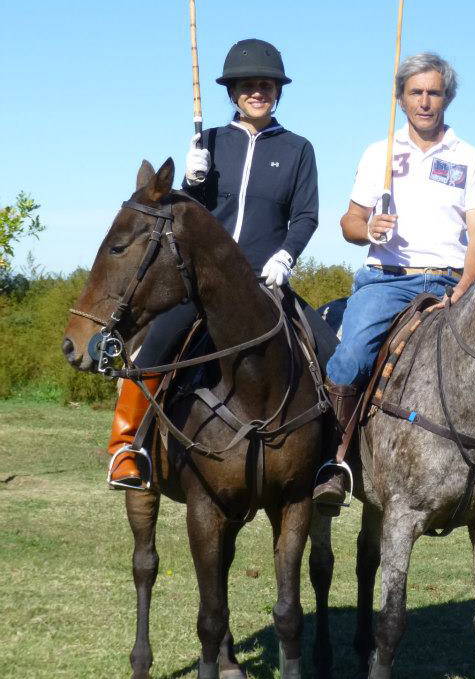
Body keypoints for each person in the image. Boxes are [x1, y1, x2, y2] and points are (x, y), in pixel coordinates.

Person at [314, 52, 475, 514]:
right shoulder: (380, 153)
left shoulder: (470, 158)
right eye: (416, 92)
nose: (425, 101)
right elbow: (348, 223)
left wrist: (463, 289)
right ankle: (335, 463)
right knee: (349, 357)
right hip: (388, 280)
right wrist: (368, 227)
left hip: (454, 281)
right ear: (400, 99)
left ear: (447, 97)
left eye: (434, 92)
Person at [108, 38, 319, 489]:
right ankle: (126, 448)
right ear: (233, 93)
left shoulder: (299, 149)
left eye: (265, 84)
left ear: (277, 91)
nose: (257, 92)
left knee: (328, 352)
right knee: (153, 346)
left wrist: (286, 255)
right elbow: (189, 215)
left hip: (267, 280)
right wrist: (192, 180)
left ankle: (329, 461)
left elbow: (305, 216)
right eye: (247, 86)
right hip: (205, 284)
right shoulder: (211, 142)